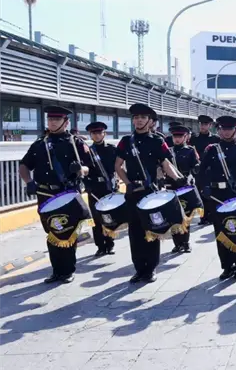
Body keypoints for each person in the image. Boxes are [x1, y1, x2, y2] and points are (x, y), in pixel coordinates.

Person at [19, 106, 93, 283]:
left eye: (56, 120)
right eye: (50, 120)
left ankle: (67, 270)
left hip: (67, 193)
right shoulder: (39, 144)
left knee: (67, 230)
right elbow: (24, 165)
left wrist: (80, 170)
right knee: (52, 231)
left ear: (65, 122)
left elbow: (89, 168)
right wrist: (28, 182)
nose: (52, 123)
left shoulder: (76, 143)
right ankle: (56, 270)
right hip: (45, 193)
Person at [114, 103, 183, 283]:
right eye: (136, 118)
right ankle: (139, 269)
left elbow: (166, 164)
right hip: (132, 193)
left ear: (150, 121)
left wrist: (178, 179)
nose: (138, 121)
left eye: (142, 118)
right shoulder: (125, 141)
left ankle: (151, 268)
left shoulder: (157, 141)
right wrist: (127, 183)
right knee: (135, 233)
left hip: (150, 192)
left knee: (152, 231)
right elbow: (117, 165)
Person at [199, 116, 236, 279]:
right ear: (219, 130)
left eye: (229, 129)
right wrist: (204, 187)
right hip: (216, 195)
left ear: (235, 130)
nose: (226, 132)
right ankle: (226, 266)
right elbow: (202, 171)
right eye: (223, 129)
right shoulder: (211, 149)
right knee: (221, 231)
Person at [84, 121, 118, 256]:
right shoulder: (87, 151)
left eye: (99, 133)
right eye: (94, 133)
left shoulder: (112, 149)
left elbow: (118, 167)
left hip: (108, 186)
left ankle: (110, 244)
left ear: (104, 133)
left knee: (109, 216)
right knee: (96, 218)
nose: (97, 136)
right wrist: (87, 186)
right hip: (94, 187)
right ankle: (100, 246)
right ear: (90, 135)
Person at [168, 125, 200, 254]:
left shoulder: (190, 150)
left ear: (185, 137)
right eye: (175, 136)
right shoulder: (168, 151)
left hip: (185, 185)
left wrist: (195, 170)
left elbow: (195, 165)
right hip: (171, 185)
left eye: (180, 136)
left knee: (185, 215)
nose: (177, 139)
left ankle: (185, 242)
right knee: (173, 216)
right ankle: (177, 243)